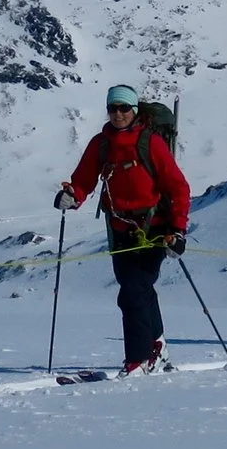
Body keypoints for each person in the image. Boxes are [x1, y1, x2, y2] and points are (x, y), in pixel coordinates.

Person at [56, 85, 191, 374]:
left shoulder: (151, 143)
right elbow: (84, 180)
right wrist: (72, 196)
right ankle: (156, 347)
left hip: (155, 227)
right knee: (138, 289)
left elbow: (178, 188)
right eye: (113, 108)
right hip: (119, 229)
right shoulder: (101, 144)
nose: (118, 114)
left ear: (134, 110)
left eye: (124, 108)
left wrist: (178, 230)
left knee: (133, 291)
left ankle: (138, 360)